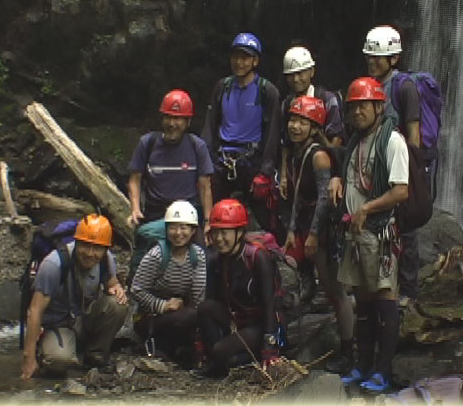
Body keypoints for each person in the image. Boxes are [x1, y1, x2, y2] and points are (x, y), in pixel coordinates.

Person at [329, 77, 408, 392]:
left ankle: (383, 370)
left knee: (384, 296)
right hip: (355, 232)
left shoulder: (392, 141)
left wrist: (367, 209)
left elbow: (401, 191)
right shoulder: (356, 142)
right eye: (354, 106)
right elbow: (351, 175)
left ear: (379, 106)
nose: (358, 111)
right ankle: (362, 365)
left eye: (364, 105)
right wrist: (337, 179)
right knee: (362, 298)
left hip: (379, 230)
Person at [282, 95, 354, 374]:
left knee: (335, 292)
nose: (295, 126)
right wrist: (291, 231)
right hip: (306, 227)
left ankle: (349, 351)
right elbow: (299, 197)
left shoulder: (319, 156)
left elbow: (324, 200)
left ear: (314, 127)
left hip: (323, 232)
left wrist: (312, 236)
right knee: (318, 287)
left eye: (303, 122)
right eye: (293, 120)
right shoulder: (300, 154)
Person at [21, 214, 128, 379]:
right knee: (58, 363)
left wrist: (117, 288)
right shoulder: (54, 264)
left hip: (84, 318)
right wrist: (28, 359)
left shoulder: (107, 261)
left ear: (105, 249)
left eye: (97, 248)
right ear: (76, 242)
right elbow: (34, 311)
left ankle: (95, 354)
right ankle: (51, 350)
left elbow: (112, 283)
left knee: (117, 304)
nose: (90, 253)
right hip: (58, 324)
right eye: (85, 245)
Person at [362, 25, 423, 306]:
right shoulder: (370, 87)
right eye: (370, 57)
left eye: (379, 57)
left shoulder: (404, 87)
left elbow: (413, 131)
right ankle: (383, 284)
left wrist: (412, 172)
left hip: (401, 165)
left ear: (393, 59)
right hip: (378, 166)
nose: (373, 62)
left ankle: (409, 290)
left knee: (406, 229)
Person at [279, 46, 345, 301]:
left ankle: (332, 291)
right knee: (296, 223)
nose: (296, 79)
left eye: (301, 73)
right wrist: (285, 174)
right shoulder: (288, 104)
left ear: (312, 72)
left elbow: (336, 138)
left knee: (321, 229)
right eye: (291, 75)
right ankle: (309, 283)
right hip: (299, 168)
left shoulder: (327, 99)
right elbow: (285, 141)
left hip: (320, 164)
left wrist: (329, 166)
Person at [200, 33, 281, 238]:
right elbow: (210, 124)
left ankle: (280, 258)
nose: (239, 62)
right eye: (236, 57)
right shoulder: (222, 87)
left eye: (245, 58)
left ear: (255, 61)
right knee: (213, 214)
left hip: (251, 160)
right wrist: (204, 161)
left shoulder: (267, 91)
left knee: (267, 218)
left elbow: (272, 133)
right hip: (223, 160)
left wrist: (266, 171)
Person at [195, 198, 282, 378]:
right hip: (237, 320)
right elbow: (212, 300)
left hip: (261, 324)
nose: (219, 239)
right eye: (216, 233)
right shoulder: (215, 260)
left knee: (220, 351)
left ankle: (227, 358)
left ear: (240, 232)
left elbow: (269, 305)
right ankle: (217, 360)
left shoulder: (258, 258)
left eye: (224, 233)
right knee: (205, 308)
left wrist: (269, 346)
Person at [128, 89, 214, 244]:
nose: (172, 123)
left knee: (202, 257)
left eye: (178, 118)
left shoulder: (197, 147)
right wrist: (135, 209)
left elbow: (205, 186)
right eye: (168, 117)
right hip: (156, 213)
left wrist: (208, 221)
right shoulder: (147, 144)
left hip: (188, 215)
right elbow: (135, 179)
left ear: (188, 122)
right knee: (145, 253)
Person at [130, 200, 207, 367]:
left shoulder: (198, 255)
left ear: (193, 231)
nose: (178, 233)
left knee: (198, 315)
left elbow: (198, 294)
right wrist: (163, 305)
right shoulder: (157, 255)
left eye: (183, 228)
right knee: (188, 317)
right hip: (151, 317)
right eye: (172, 227)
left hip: (180, 313)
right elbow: (136, 289)